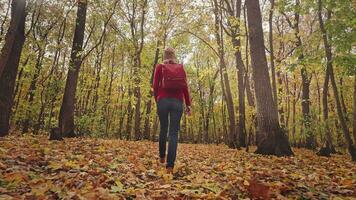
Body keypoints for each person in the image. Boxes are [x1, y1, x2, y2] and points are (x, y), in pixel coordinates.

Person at [153, 47, 191, 174]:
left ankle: (162, 157)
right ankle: (170, 166)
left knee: (164, 128)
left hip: (163, 100)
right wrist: (188, 104)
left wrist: (157, 99)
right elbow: (185, 87)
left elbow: (155, 85)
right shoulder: (180, 68)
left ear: (164, 56)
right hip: (177, 102)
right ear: (174, 56)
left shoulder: (160, 66)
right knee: (174, 133)